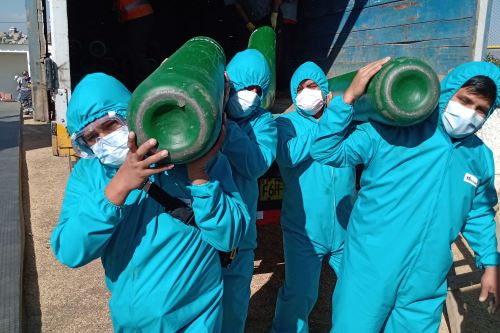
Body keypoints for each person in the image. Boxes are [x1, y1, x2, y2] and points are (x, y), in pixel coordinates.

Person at [310, 59, 500, 332]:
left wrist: (490, 262)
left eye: (481, 109)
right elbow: (326, 150)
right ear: (447, 92)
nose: (470, 114)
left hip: (427, 275)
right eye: (465, 101)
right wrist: (347, 98)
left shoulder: (479, 156)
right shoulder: (395, 127)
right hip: (371, 264)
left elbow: (479, 211)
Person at [51, 73, 250, 332]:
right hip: (132, 320)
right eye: (91, 138)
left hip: (198, 319)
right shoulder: (88, 175)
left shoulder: (189, 155)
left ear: (130, 114)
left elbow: (230, 237)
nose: (103, 141)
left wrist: (199, 176)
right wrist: (117, 188)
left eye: (110, 126)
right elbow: (70, 251)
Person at [271, 61, 356, 332]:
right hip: (304, 229)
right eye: (301, 88)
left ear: (326, 90)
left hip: (345, 227)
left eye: (313, 86)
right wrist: (331, 122)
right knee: (299, 294)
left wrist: (339, 115)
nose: (307, 92)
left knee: (357, 290)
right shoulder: (287, 122)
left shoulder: (346, 119)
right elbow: (288, 155)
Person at [220, 49, 277, 333]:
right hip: (201, 230)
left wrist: (227, 131)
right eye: (245, 87)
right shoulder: (207, 111)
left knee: (232, 310)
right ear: (229, 83)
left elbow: (256, 164)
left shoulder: (264, 123)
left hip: (239, 239)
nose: (251, 95)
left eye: (258, 90)